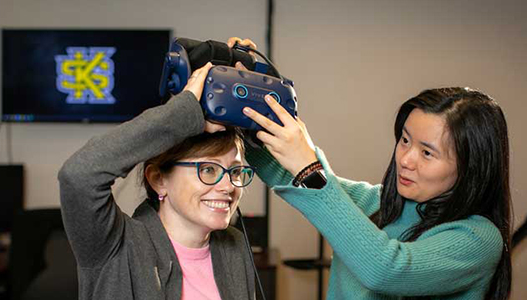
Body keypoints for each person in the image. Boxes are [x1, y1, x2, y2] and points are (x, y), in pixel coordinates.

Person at [230, 36, 511, 300]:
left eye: (427, 152)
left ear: (471, 168)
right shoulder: (377, 203)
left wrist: (309, 165)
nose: (405, 159)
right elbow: (287, 172)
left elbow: (387, 269)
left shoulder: (477, 238)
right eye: (404, 140)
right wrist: (242, 108)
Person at [58, 61, 258, 300]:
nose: (228, 186)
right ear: (158, 179)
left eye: (235, 172)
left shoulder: (233, 246)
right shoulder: (116, 245)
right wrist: (183, 113)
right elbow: (79, 174)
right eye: (208, 170)